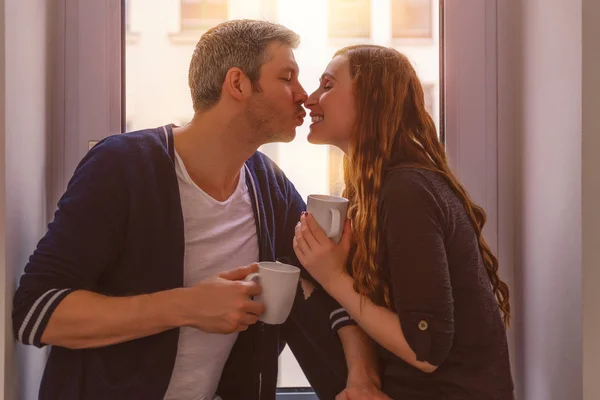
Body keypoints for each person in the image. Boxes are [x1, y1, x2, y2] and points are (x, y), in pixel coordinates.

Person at [11, 21, 385, 400]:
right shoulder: (122, 165)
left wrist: (362, 377)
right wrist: (187, 305)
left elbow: (327, 282)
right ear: (237, 84)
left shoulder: (267, 184)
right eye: (287, 77)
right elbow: (37, 312)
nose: (304, 96)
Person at [294, 44, 515, 399]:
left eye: (328, 85)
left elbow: (425, 351)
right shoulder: (372, 190)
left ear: (371, 100)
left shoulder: (407, 191)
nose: (310, 98)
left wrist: (333, 276)